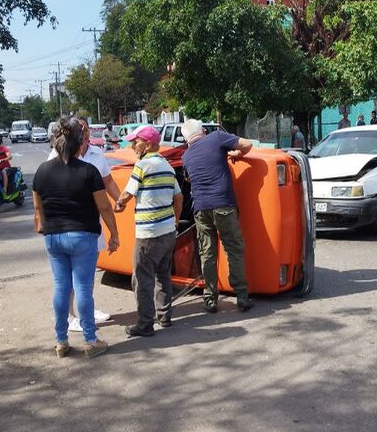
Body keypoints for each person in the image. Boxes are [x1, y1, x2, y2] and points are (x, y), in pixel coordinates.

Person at [32, 116, 119, 358]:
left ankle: (61, 340)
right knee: (82, 288)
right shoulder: (89, 171)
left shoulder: (42, 170)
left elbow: (38, 209)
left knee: (61, 287)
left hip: (54, 237)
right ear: (80, 142)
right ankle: (91, 341)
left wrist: (43, 229)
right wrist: (114, 233)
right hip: (83, 236)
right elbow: (104, 207)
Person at [114, 126, 183, 337]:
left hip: (149, 233)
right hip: (168, 231)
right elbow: (178, 197)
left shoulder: (142, 166)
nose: (133, 145)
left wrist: (119, 203)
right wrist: (176, 220)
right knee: (163, 274)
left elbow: (127, 193)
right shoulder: (168, 167)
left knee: (142, 279)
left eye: (137, 141)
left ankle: (145, 324)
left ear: (150, 144)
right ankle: (165, 316)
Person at [180, 118, 255, 313]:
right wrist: (237, 154)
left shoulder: (186, 156)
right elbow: (248, 144)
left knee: (207, 253)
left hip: (201, 209)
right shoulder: (216, 138)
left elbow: (188, 178)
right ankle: (241, 296)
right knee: (234, 249)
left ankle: (210, 299)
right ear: (202, 130)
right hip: (223, 205)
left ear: (186, 139)